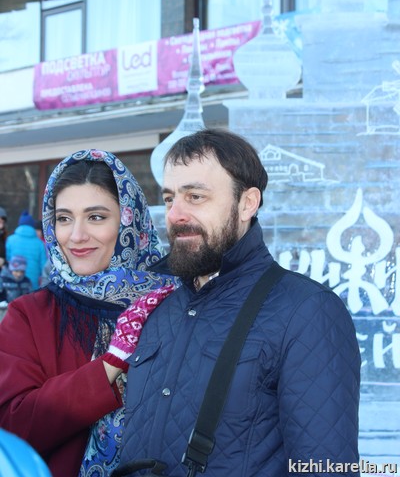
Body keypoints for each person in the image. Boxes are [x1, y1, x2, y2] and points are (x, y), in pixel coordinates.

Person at [118, 128, 361, 477]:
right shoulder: (156, 305)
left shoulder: (307, 311)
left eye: (195, 197)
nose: (175, 215)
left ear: (247, 203)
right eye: (170, 199)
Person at [0, 149, 176, 477]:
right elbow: (12, 430)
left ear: (129, 221)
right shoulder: (30, 314)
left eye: (96, 217)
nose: (76, 236)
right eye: (64, 218)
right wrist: (110, 364)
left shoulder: (175, 302)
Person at [5, 210, 47, 290]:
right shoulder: (40, 243)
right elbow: (43, 266)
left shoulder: (10, 240)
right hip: (33, 284)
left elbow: (8, 260)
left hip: (13, 282)